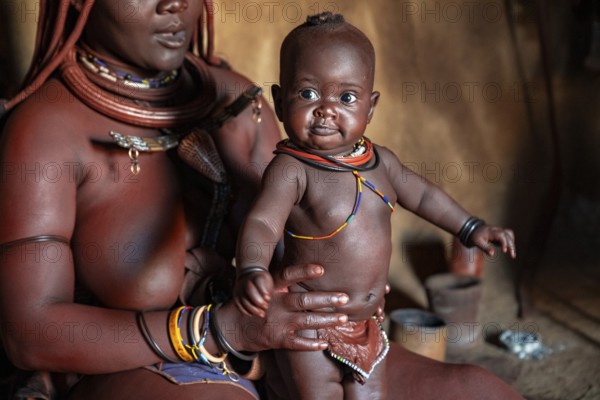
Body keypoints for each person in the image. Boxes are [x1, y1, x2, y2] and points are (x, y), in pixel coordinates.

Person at [0, 1, 524, 399]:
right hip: (150, 369)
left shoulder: (238, 99)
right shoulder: (44, 132)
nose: (173, 4)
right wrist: (222, 328)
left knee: (481, 389)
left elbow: (305, 229)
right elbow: (28, 334)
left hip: (300, 350)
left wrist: (344, 282)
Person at [233, 12, 517, 400]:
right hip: (309, 320)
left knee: (370, 395)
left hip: (369, 322)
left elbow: (425, 196)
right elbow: (263, 224)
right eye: (308, 94)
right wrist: (252, 267)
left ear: (370, 107)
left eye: (346, 97)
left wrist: (470, 228)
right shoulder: (291, 169)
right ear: (280, 103)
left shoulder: (382, 162)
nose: (326, 109)